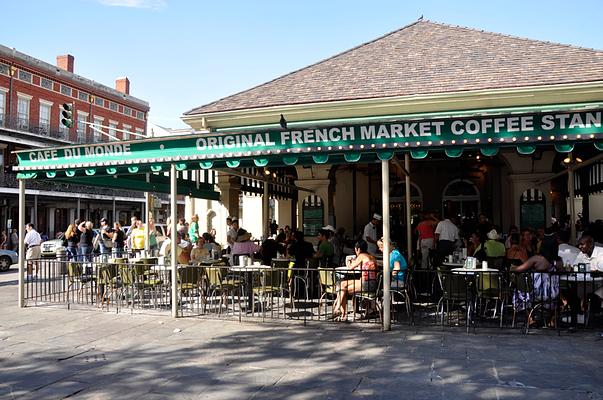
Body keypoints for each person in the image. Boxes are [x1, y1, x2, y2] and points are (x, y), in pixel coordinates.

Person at [332, 240, 377, 321]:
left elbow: (350, 268)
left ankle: (341, 313)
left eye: (355, 250)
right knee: (343, 284)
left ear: (358, 249)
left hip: (367, 283)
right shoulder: (371, 256)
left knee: (342, 289)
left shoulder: (361, 256)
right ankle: (338, 309)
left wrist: (350, 262)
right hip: (372, 282)